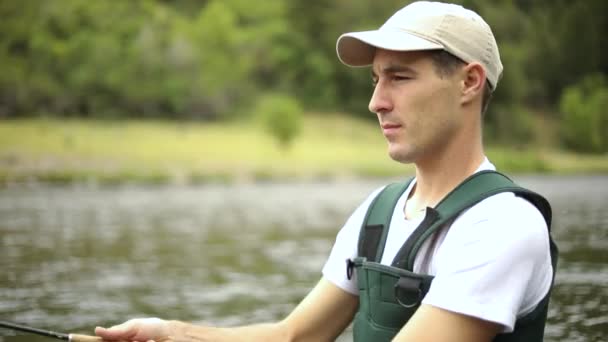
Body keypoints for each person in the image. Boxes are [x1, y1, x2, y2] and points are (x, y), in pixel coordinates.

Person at [95, 1, 557, 341]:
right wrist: (168, 333)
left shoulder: (504, 225)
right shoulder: (378, 212)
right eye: (376, 80)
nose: (376, 102)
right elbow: (293, 336)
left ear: (469, 82)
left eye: (399, 77)